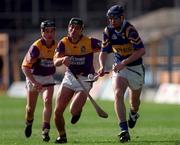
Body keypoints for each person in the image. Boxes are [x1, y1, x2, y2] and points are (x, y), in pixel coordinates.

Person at [98, 5, 145, 143]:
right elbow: (103, 51)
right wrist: (101, 66)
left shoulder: (130, 30)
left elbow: (141, 51)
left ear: (122, 18)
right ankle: (124, 129)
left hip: (135, 67)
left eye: (115, 18)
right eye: (110, 18)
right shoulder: (107, 31)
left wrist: (124, 62)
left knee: (134, 103)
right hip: (120, 68)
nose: (112, 21)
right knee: (118, 93)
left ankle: (134, 113)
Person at [53, 17, 101, 144]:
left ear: (81, 30)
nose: (73, 30)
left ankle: (78, 111)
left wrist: (101, 67)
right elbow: (55, 61)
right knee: (57, 112)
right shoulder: (63, 43)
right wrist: (62, 60)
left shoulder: (89, 42)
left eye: (77, 28)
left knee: (73, 110)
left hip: (85, 79)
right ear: (68, 28)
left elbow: (106, 49)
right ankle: (62, 136)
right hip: (70, 77)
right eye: (71, 27)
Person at [21, 19, 57, 142]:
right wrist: (35, 83)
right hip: (33, 77)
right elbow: (24, 67)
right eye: (47, 31)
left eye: (52, 31)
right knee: (30, 109)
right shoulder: (36, 47)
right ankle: (29, 123)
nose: (49, 34)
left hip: (48, 77)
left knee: (47, 101)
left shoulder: (57, 46)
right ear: (42, 32)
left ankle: (45, 130)